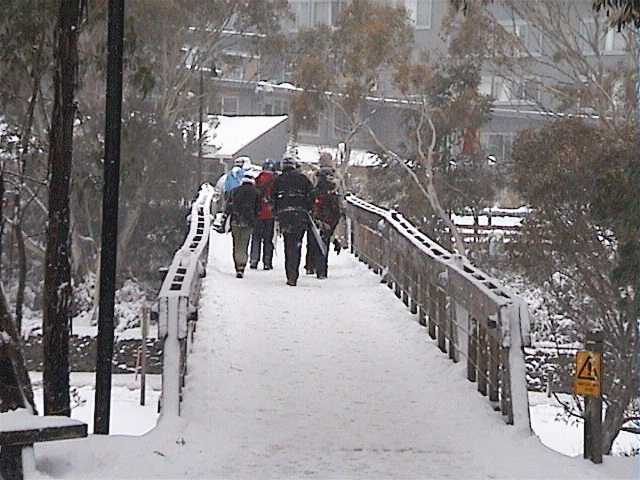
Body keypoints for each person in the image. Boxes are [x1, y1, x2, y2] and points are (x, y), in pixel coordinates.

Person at [273, 156, 313, 286]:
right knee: (297, 244)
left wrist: (276, 211)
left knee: (287, 244)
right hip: (300, 215)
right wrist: (307, 208)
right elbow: (311, 195)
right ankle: (294, 273)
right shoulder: (303, 179)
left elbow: (272, 197)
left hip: (284, 215)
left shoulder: (278, 180)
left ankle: (289, 273)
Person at [308, 167, 343, 279]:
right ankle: (321, 270)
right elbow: (336, 210)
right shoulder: (333, 193)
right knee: (324, 244)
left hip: (314, 220)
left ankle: (310, 265)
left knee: (313, 242)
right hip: (328, 221)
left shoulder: (314, 191)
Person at [225, 172, 260, 278]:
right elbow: (257, 209)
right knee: (244, 243)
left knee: (236, 243)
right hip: (248, 222)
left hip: (236, 220)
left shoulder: (235, 191)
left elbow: (229, 206)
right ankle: (242, 265)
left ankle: (237, 264)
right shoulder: (256, 193)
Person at [250, 159, 277, 270]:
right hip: (270, 214)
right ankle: (267, 262)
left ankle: (254, 260)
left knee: (256, 238)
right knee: (268, 239)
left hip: (258, 213)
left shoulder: (257, 180)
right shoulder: (275, 181)